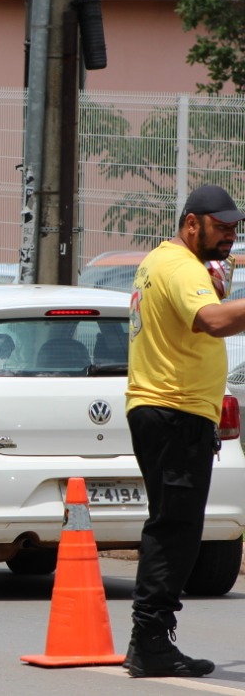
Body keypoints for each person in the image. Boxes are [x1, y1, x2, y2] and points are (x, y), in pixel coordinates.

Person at [125, 184, 245, 678]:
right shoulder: (179, 266)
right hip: (173, 410)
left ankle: (149, 639)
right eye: (220, 229)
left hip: (166, 409)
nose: (229, 240)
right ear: (191, 223)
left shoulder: (159, 262)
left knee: (173, 524)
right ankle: (150, 641)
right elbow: (213, 321)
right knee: (175, 528)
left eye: (234, 231)